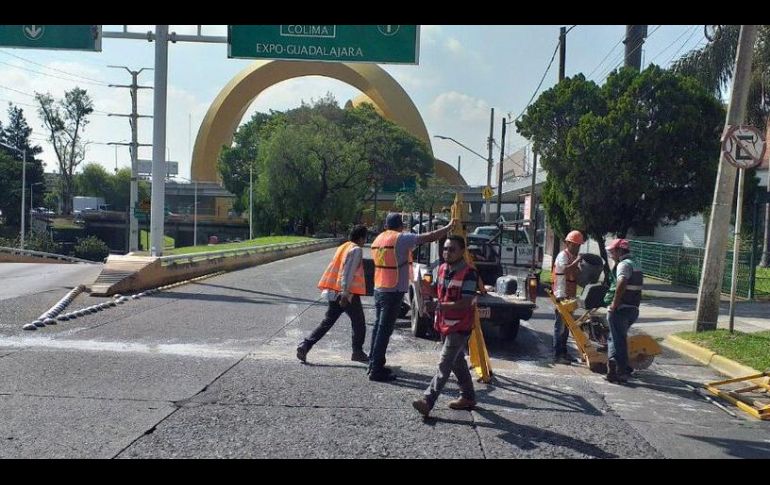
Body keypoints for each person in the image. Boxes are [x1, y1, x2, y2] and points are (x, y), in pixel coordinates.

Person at [368, 212, 455, 382]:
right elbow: (428, 237)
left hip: (380, 288)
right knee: (384, 330)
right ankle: (376, 369)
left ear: (386, 225)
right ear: (401, 226)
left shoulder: (379, 239)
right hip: (393, 290)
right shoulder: (401, 238)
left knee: (378, 328)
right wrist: (448, 227)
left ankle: (373, 363)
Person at [412, 235, 478, 417]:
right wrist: (425, 290)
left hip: (460, 325)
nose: (447, 253)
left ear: (462, 252)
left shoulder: (469, 273)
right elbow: (438, 291)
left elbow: (465, 302)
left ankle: (428, 400)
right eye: (445, 249)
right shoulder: (442, 269)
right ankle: (468, 396)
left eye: (452, 249)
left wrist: (438, 305)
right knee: (457, 363)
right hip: (444, 323)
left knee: (445, 363)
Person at [296, 225, 369, 364]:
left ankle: (305, 345)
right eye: (365, 238)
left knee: (327, 322)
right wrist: (345, 293)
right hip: (346, 294)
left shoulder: (344, 247)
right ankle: (357, 352)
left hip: (335, 291)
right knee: (359, 323)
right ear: (360, 238)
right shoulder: (356, 249)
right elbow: (348, 272)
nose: (364, 242)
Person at [603, 238, 643, 383]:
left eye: (613, 251)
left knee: (617, 339)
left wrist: (614, 304)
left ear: (620, 251)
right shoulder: (636, 263)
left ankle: (618, 369)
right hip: (633, 308)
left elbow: (621, 282)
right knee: (616, 337)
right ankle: (616, 366)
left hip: (621, 308)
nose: (611, 254)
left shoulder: (623, 265)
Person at [552, 230, 584, 364]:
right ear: (568, 243)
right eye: (575, 245)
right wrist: (577, 261)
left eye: (578, 245)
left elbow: (576, 275)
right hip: (561, 294)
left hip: (569, 296)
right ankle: (558, 354)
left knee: (567, 326)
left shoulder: (571, 256)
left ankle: (564, 352)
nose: (577, 248)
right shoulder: (563, 256)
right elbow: (565, 270)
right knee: (560, 326)